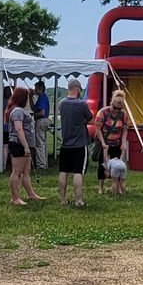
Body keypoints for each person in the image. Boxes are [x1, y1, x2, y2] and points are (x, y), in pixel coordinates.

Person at [6, 86, 44, 207]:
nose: (28, 99)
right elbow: (18, 129)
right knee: (17, 171)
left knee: (26, 170)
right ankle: (15, 198)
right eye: (27, 97)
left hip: (25, 144)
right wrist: (25, 147)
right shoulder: (17, 111)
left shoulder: (21, 110)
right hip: (18, 144)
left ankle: (31, 194)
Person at [55, 78, 91, 208]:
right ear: (77, 88)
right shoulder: (81, 104)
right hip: (79, 144)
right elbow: (90, 119)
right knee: (77, 172)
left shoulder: (62, 103)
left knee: (63, 171)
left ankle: (63, 199)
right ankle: (78, 200)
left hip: (65, 144)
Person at [96, 90, 131, 195]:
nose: (116, 111)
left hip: (117, 143)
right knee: (102, 166)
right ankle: (101, 187)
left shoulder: (123, 114)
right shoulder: (102, 112)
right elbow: (97, 129)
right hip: (104, 142)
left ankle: (118, 187)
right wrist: (103, 143)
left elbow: (124, 130)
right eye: (115, 108)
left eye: (119, 109)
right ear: (111, 103)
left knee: (118, 165)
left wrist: (123, 143)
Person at [31, 82, 51, 171]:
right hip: (44, 121)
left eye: (36, 88)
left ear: (40, 88)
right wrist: (30, 97)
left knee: (39, 144)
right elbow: (33, 108)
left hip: (41, 120)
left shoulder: (42, 98)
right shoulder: (41, 98)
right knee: (42, 143)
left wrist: (34, 114)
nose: (35, 90)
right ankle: (44, 163)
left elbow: (42, 112)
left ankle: (41, 165)